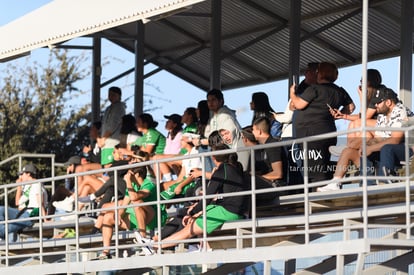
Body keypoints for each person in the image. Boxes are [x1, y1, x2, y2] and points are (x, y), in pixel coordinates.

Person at [151, 144, 247, 250]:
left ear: (213, 157)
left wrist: (192, 213)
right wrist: (195, 212)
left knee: (189, 230)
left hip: (229, 211)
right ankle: (205, 247)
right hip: (232, 209)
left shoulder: (222, 170)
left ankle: (156, 246)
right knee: (192, 220)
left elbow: (207, 197)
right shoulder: (234, 167)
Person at [317, 86, 413, 191]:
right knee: (351, 151)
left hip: (407, 151)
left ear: (388, 102)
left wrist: (371, 148)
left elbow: (396, 140)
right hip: (388, 151)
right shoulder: (383, 115)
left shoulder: (400, 111)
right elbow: (378, 138)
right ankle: (340, 184)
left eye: (378, 103)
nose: (375, 106)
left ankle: (385, 182)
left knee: (386, 148)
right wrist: (366, 145)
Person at [290, 62, 355, 183]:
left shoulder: (314, 89)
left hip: (311, 133)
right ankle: (330, 182)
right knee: (323, 162)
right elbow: (351, 107)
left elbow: (298, 104)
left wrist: (292, 93)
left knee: (314, 169)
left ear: (320, 73)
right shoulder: (339, 91)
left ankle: (317, 193)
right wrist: (339, 115)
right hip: (328, 131)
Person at [97, 164, 167, 259]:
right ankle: (106, 252)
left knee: (137, 202)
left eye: (129, 173)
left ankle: (144, 242)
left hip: (154, 218)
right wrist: (119, 216)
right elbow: (125, 203)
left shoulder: (149, 184)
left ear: (137, 174)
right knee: (108, 217)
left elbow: (134, 197)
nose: (127, 175)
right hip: (138, 218)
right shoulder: (132, 185)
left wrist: (128, 182)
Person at [329, 69, 383, 156]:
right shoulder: (371, 94)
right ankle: (351, 148)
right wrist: (344, 116)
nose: (361, 82)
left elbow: (364, 117)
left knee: (358, 123)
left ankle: (347, 147)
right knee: (354, 125)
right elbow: (362, 115)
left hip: (387, 124)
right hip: (376, 124)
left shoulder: (380, 93)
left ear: (370, 81)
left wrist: (361, 97)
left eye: (362, 80)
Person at [0, 164, 48, 239]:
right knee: (1, 210)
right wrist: (19, 186)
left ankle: (3, 236)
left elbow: (40, 203)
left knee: (5, 229)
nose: (20, 177)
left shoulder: (37, 184)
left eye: (22, 174)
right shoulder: (30, 186)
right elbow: (18, 202)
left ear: (28, 174)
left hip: (32, 214)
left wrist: (45, 219)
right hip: (25, 212)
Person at [97, 86, 126, 167]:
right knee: (105, 165)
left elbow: (113, 124)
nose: (111, 97)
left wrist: (103, 139)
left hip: (112, 141)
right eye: (109, 95)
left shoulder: (119, 107)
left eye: (113, 95)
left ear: (119, 96)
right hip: (105, 142)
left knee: (110, 165)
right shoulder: (108, 109)